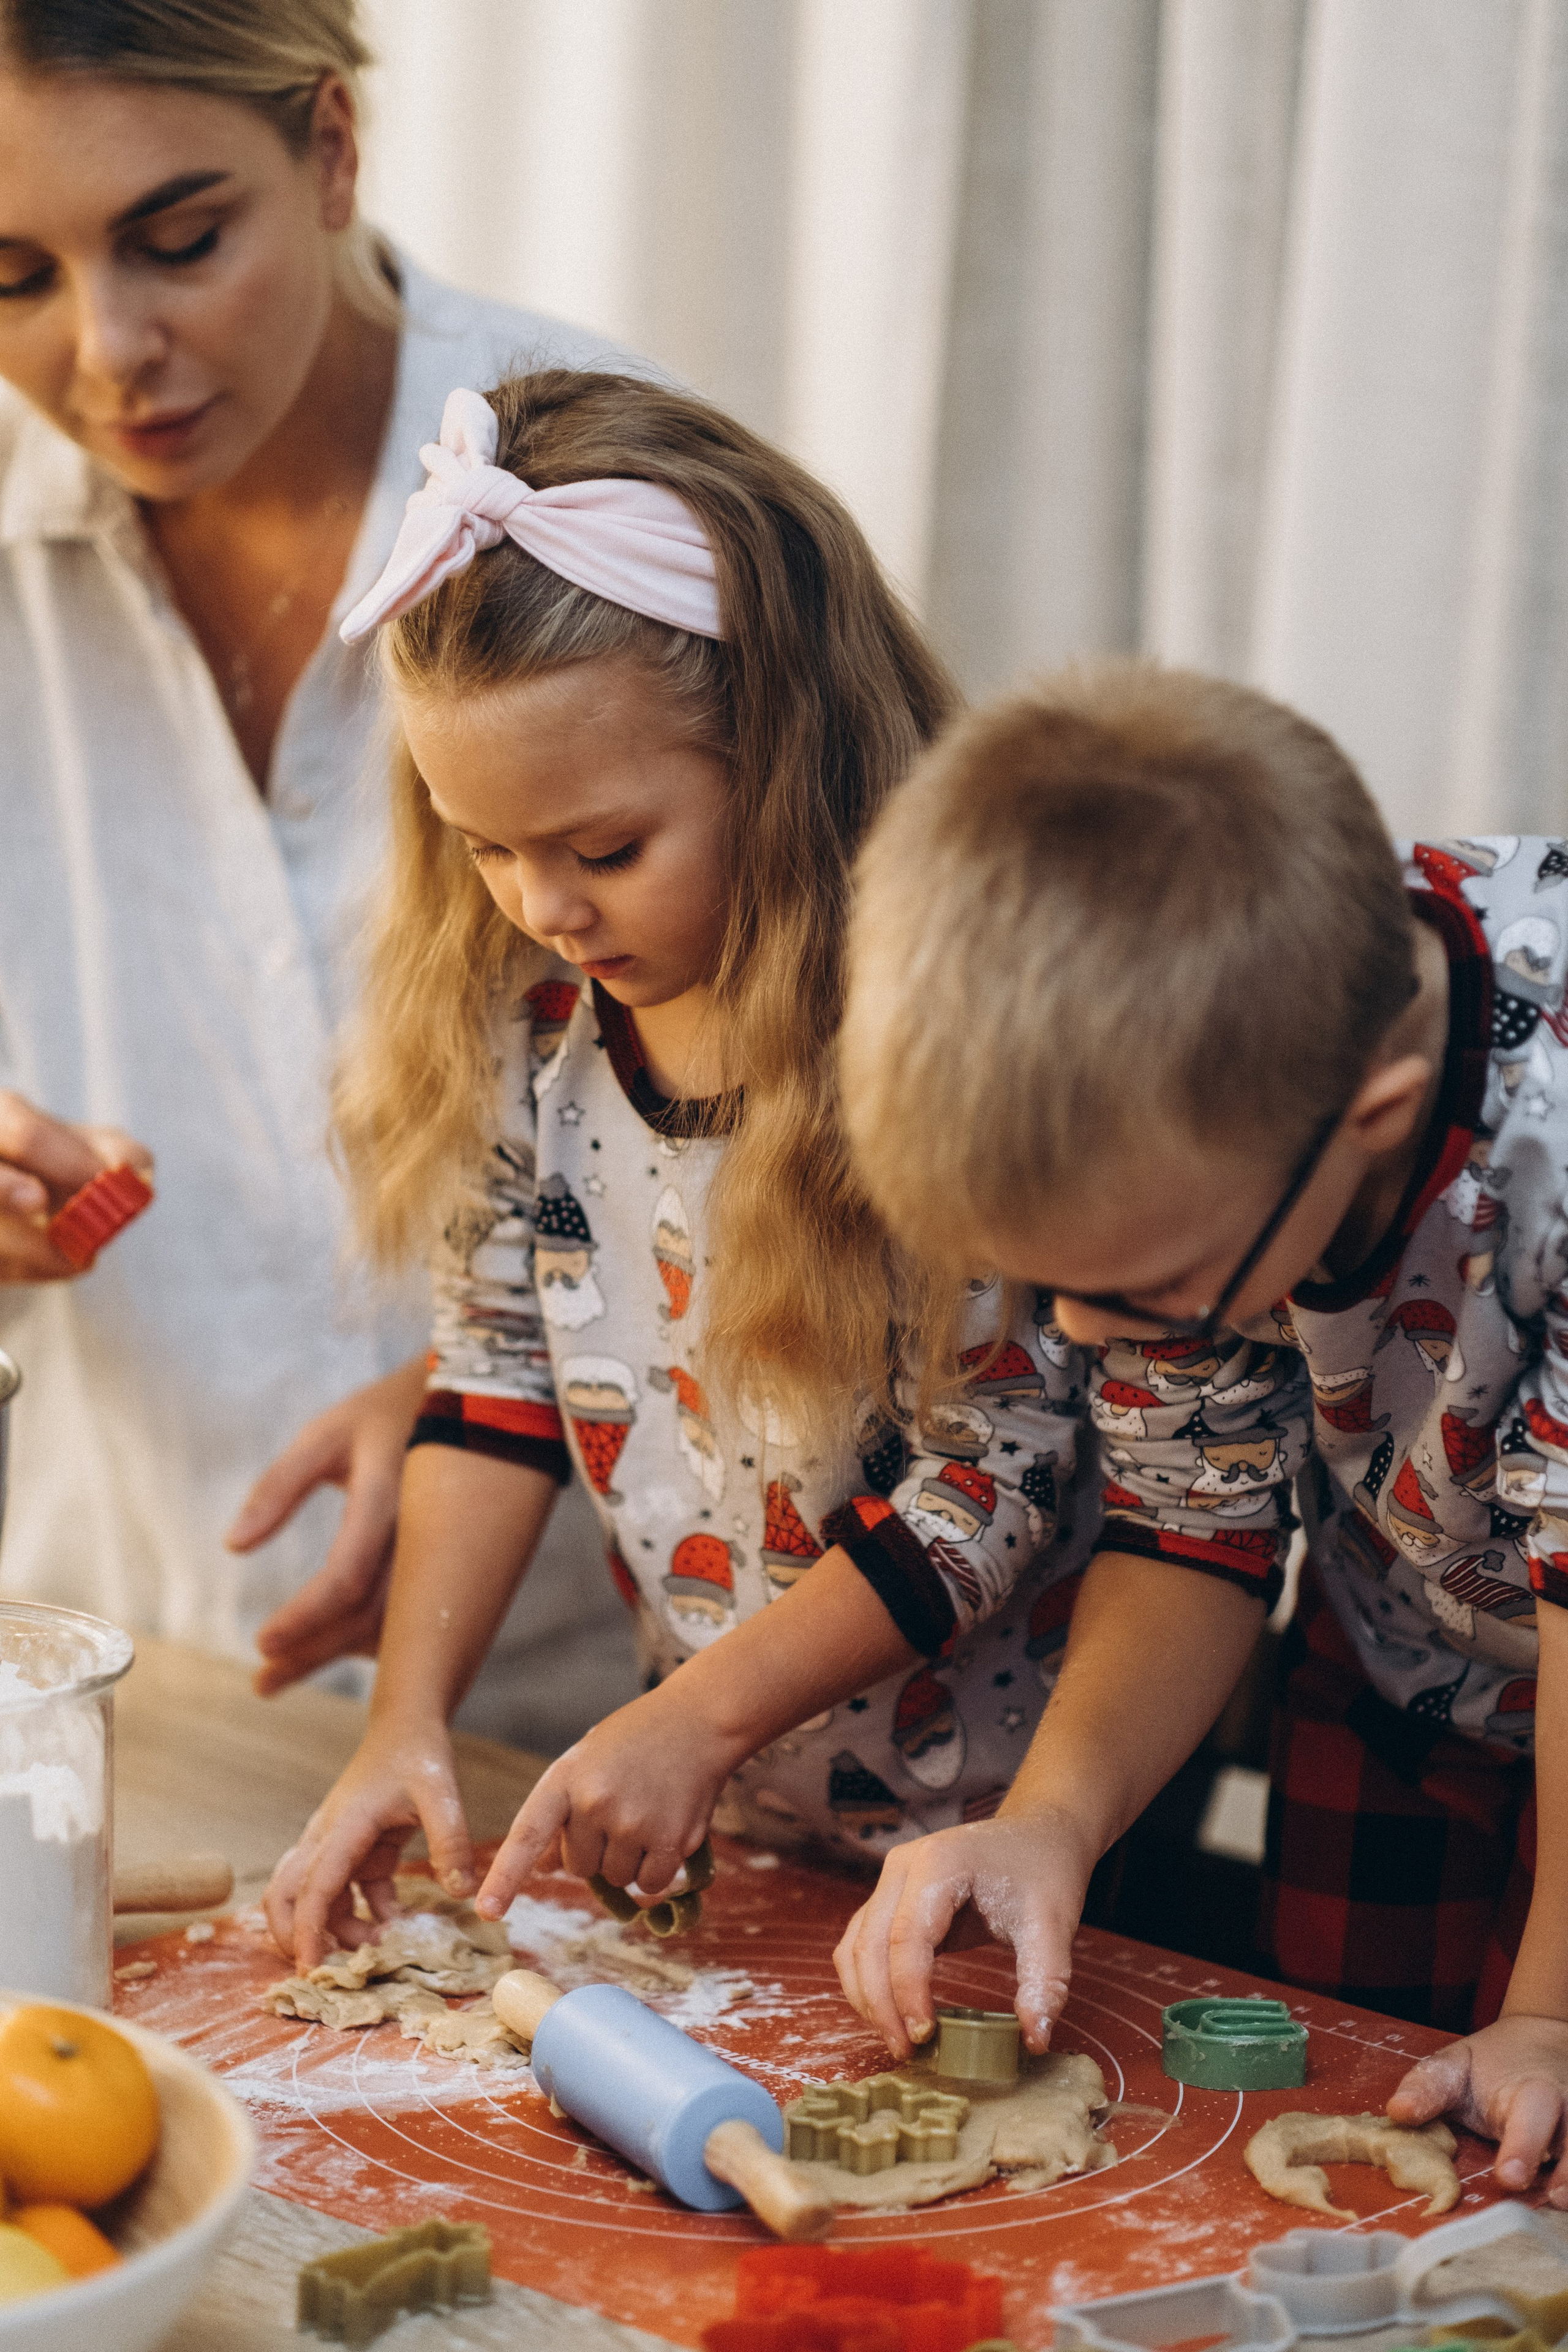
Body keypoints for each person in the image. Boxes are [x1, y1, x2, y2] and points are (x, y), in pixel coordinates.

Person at [263, 369, 1101, 1964]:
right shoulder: (533, 1029)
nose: (543, 907)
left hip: (1034, 1831)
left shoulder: (940, 1041)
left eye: (604, 849)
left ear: (781, 757)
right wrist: (406, 1718)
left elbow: (995, 1473)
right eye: (483, 846)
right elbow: (497, 1376)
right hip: (738, 1808)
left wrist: (700, 1717)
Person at [833, 661, 1568, 2204]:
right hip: (1401, 1654)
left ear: (1371, 1120)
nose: (1086, 1334)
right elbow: (1192, 1520)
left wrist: (1548, 2015)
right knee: (1362, 2113)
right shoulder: (1209, 1090)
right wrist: (1049, 1822)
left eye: (1145, 1289)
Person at [0, 0, 635, 1744]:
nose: (108, 352)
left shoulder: (622, 499)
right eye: (11, 279)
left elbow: (849, 1095)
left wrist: (489, 1387)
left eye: (181, 240)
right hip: (120, 1665)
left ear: (333, 148)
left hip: (602, 1704)